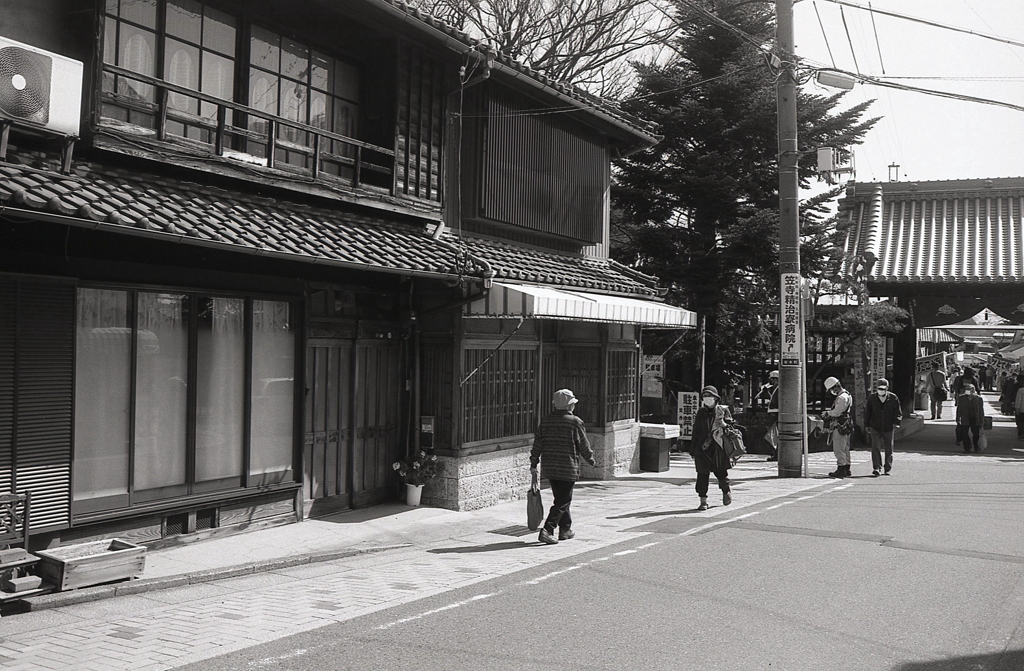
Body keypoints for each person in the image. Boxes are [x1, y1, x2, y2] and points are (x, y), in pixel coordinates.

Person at [530, 388, 596, 545]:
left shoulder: (546, 421)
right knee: (563, 501)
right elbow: (583, 445)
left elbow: (537, 444)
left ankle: (565, 529)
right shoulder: (575, 422)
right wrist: (590, 459)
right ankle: (547, 529)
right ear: (569, 406)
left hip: (551, 467)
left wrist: (534, 462)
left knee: (561, 498)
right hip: (568, 467)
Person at [688, 385, 734, 511]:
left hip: (718, 448)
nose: (707, 398)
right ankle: (703, 501)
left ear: (716, 398)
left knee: (721, 473)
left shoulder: (722, 411)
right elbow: (696, 431)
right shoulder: (701, 412)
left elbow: (732, 430)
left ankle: (726, 491)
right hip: (702, 449)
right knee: (702, 476)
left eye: (710, 396)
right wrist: (692, 449)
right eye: (705, 396)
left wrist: (724, 424)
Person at [864, 378, 902, 476]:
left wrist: (896, 422)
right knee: (875, 447)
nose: (881, 390)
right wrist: (867, 425)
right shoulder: (872, 398)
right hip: (875, 426)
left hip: (888, 427)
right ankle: (877, 467)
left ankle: (887, 468)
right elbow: (867, 412)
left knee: (889, 448)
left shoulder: (893, 398)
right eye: (879, 388)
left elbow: (898, 412)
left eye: (883, 388)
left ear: (887, 388)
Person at [823, 376, 853, 478]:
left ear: (835, 387)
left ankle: (841, 468)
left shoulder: (841, 397)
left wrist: (828, 413)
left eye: (831, 389)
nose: (832, 391)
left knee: (839, 447)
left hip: (840, 425)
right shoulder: (847, 395)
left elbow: (837, 412)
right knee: (845, 447)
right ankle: (847, 468)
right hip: (846, 424)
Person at [754, 370, 780, 461]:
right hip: (773, 413)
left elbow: (776, 403)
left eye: (772, 379)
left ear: (776, 380)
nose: (770, 381)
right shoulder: (775, 389)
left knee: (774, 434)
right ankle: (776, 452)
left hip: (775, 414)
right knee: (773, 434)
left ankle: (777, 453)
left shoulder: (779, 389)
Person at [955, 383, 986, 453]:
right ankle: (967, 447)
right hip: (965, 418)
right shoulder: (962, 398)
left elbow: (981, 410)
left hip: (975, 418)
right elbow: (959, 408)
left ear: (973, 390)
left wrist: (982, 420)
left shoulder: (978, 399)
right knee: (964, 433)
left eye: (968, 389)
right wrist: (957, 418)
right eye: (966, 389)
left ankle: (976, 446)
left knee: (976, 434)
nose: (967, 390)